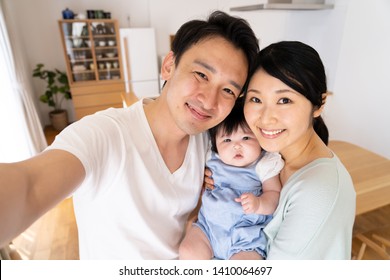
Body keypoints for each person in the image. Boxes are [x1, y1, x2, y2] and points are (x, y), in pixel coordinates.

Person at [0, 11, 259, 259]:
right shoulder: (105, 134)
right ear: (169, 65)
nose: (209, 101)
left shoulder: (208, 142)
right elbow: (30, 185)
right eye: (201, 74)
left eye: (227, 90)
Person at [205, 41, 356, 259]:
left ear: (319, 104)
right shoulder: (271, 158)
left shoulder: (317, 192)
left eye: (284, 100)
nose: (266, 118)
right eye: (256, 99)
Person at [179, 101, 284, 260]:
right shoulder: (211, 158)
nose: (237, 146)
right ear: (215, 144)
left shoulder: (263, 164)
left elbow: (274, 194)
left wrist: (259, 203)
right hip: (208, 228)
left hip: (245, 236)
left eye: (246, 138)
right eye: (227, 140)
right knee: (188, 251)